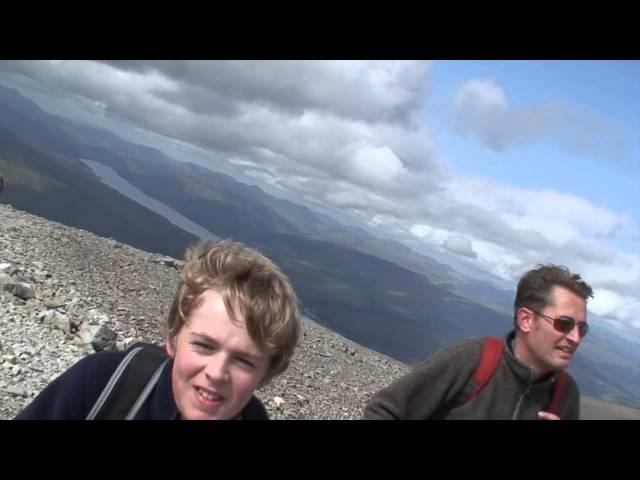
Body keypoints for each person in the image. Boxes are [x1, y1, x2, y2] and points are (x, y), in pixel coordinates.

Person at [15, 239, 300, 420]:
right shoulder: (100, 384)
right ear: (173, 339)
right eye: (204, 345)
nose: (216, 372)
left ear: (267, 373)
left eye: (244, 360)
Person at [363, 264, 593, 420]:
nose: (575, 338)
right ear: (526, 320)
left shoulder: (565, 396)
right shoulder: (469, 360)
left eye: (582, 328)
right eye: (564, 324)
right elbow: (384, 411)